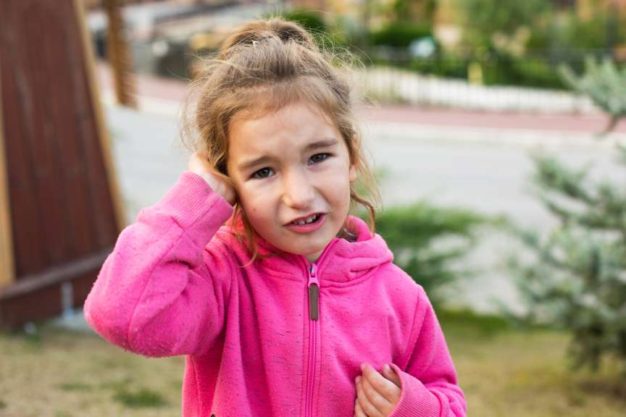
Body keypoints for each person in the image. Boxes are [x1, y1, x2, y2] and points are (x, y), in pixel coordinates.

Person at [84, 18, 466, 417]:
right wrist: (194, 200)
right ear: (228, 181)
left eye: (318, 157)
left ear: (351, 156)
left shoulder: (401, 297)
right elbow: (119, 315)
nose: (298, 196)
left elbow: (451, 404)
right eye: (262, 171)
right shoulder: (221, 280)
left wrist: (412, 407)